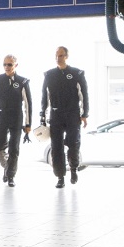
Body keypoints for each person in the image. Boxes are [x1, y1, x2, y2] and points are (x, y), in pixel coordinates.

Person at [40, 46, 89, 188]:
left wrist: (84, 114)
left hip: (73, 114)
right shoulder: (49, 75)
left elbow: (84, 95)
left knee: (73, 143)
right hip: (56, 115)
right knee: (56, 147)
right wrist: (42, 115)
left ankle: (73, 169)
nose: (58, 58)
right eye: (56, 55)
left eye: (61, 55)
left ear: (66, 56)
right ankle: (60, 177)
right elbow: (45, 97)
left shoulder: (76, 73)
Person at [0, 54, 33, 187]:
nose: (6, 67)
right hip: (1, 117)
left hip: (16, 117)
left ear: (16, 65)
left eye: (9, 64)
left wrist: (28, 124)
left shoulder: (23, 82)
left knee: (14, 149)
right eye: (4, 64)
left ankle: (11, 176)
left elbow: (28, 104)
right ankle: (7, 167)